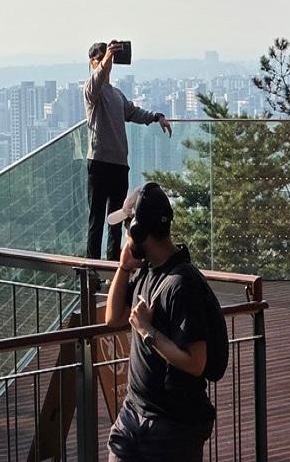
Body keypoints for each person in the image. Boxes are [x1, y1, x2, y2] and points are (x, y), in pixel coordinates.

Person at [103, 182, 216, 462]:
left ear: (139, 230)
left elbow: (196, 362)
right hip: (134, 414)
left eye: (128, 228)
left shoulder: (181, 283)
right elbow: (113, 318)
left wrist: (147, 331)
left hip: (172, 426)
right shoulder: (148, 271)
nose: (126, 235)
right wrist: (123, 267)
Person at [84, 41, 172, 260]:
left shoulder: (116, 94)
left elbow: (133, 112)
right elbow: (95, 83)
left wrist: (155, 117)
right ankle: (92, 270)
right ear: (93, 62)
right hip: (99, 161)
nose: (108, 62)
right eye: (102, 58)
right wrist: (104, 62)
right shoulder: (91, 90)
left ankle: (114, 267)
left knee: (116, 219)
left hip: (119, 164)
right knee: (96, 220)